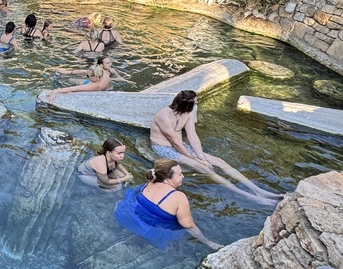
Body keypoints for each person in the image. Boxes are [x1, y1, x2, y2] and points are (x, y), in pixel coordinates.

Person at [150, 90, 280, 205]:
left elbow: (192, 135)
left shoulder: (188, 113)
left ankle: (258, 191)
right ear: (187, 105)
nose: (197, 104)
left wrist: (201, 156)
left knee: (219, 162)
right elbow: (175, 143)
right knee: (204, 168)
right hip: (164, 148)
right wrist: (197, 161)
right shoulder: (164, 115)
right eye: (195, 103)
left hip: (180, 146)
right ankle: (249, 197)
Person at [113, 158, 223, 250]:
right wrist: (208, 242)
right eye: (179, 174)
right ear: (167, 178)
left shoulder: (150, 181)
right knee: (185, 224)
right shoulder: (178, 197)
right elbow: (189, 227)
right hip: (154, 231)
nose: (183, 176)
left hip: (128, 218)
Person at [46, 60, 111, 101]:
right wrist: (67, 72)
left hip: (91, 88)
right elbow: (85, 71)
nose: (87, 76)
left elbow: (74, 88)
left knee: (73, 86)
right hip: (94, 84)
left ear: (95, 76)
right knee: (71, 80)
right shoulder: (102, 72)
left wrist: (55, 91)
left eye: (88, 76)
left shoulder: (96, 85)